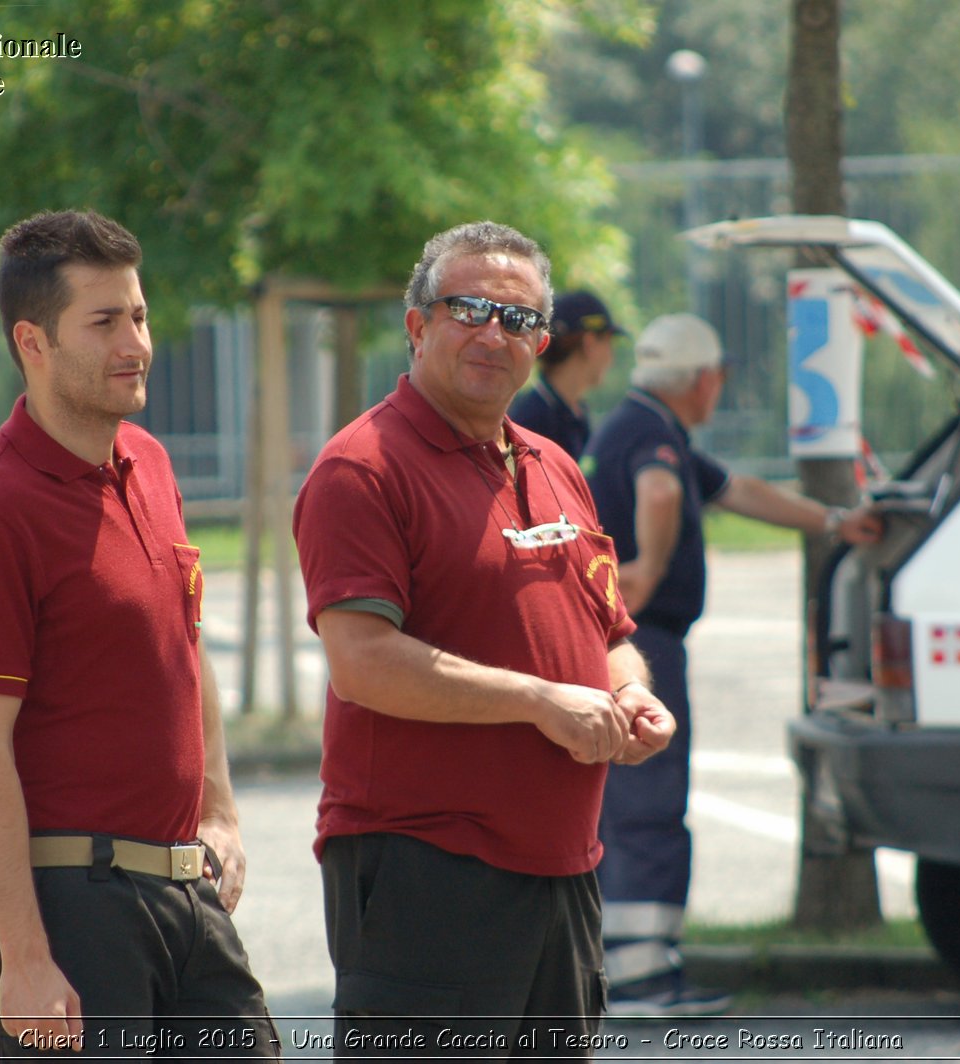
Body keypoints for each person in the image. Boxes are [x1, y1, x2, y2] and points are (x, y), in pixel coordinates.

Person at [292, 220, 677, 1056]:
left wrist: (628, 690)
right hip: (428, 869)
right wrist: (540, 702)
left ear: (541, 342)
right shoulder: (364, 469)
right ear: (417, 324)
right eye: (467, 308)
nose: (491, 333)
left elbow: (607, 627)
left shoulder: (553, 464)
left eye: (518, 319)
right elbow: (361, 665)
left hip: (564, 872)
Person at [0, 210, 279, 1060]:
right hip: (71, 910)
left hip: (184, 897)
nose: (138, 343)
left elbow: (185, 652)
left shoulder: (149, 465)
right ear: (33, 342)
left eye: (141, 315)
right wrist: (26, 958)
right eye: (105, 321)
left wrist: (221, 813)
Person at [583, 313, 881, 1015]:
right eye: (717, 379)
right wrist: (650, 568)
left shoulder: (640, 424)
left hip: (629, 638)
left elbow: (741, 490)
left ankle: (623, 968)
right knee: (651, 801)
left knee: (629, 801)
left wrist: (834, 521)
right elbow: (659, 490)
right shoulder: (655, 438)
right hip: (643, 642)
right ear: (702, 380)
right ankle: (643, 977)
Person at [507, 290, 626, 459]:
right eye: (608, 343)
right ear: (589, 343)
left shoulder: (577, 414)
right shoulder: (530, 420)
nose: (611, 358)